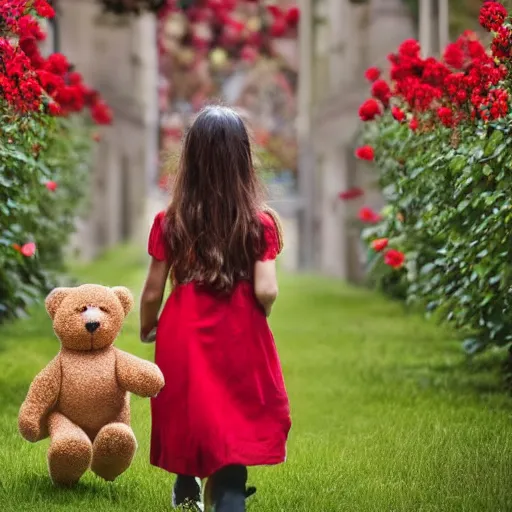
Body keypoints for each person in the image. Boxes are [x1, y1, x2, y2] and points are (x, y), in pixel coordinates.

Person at [139, 105, 291, 512]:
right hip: (240, 326)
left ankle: (186, 484)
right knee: (234, 407)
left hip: (183, 326)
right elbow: (267, 289)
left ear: (190, 160)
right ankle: (228, 491)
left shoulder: (170, 220)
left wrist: (148, 326)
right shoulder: (260, 224)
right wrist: (261, 312)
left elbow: (153, 290)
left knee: (190, 404)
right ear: (242, 160)